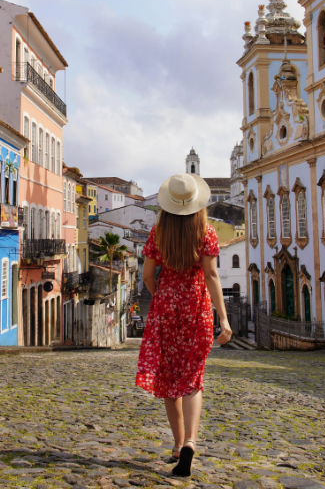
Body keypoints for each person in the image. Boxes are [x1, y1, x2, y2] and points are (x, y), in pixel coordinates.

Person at [135, 173, 233, 477]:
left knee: (168, 379)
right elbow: (212, 276)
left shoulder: (157, 233)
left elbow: (148, 275)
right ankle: (190, 441)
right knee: (192, 377)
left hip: (166, 308)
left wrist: (162, 297)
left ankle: (177, 445)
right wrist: (224, 318)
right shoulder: (207, 232)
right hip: (197, 308)